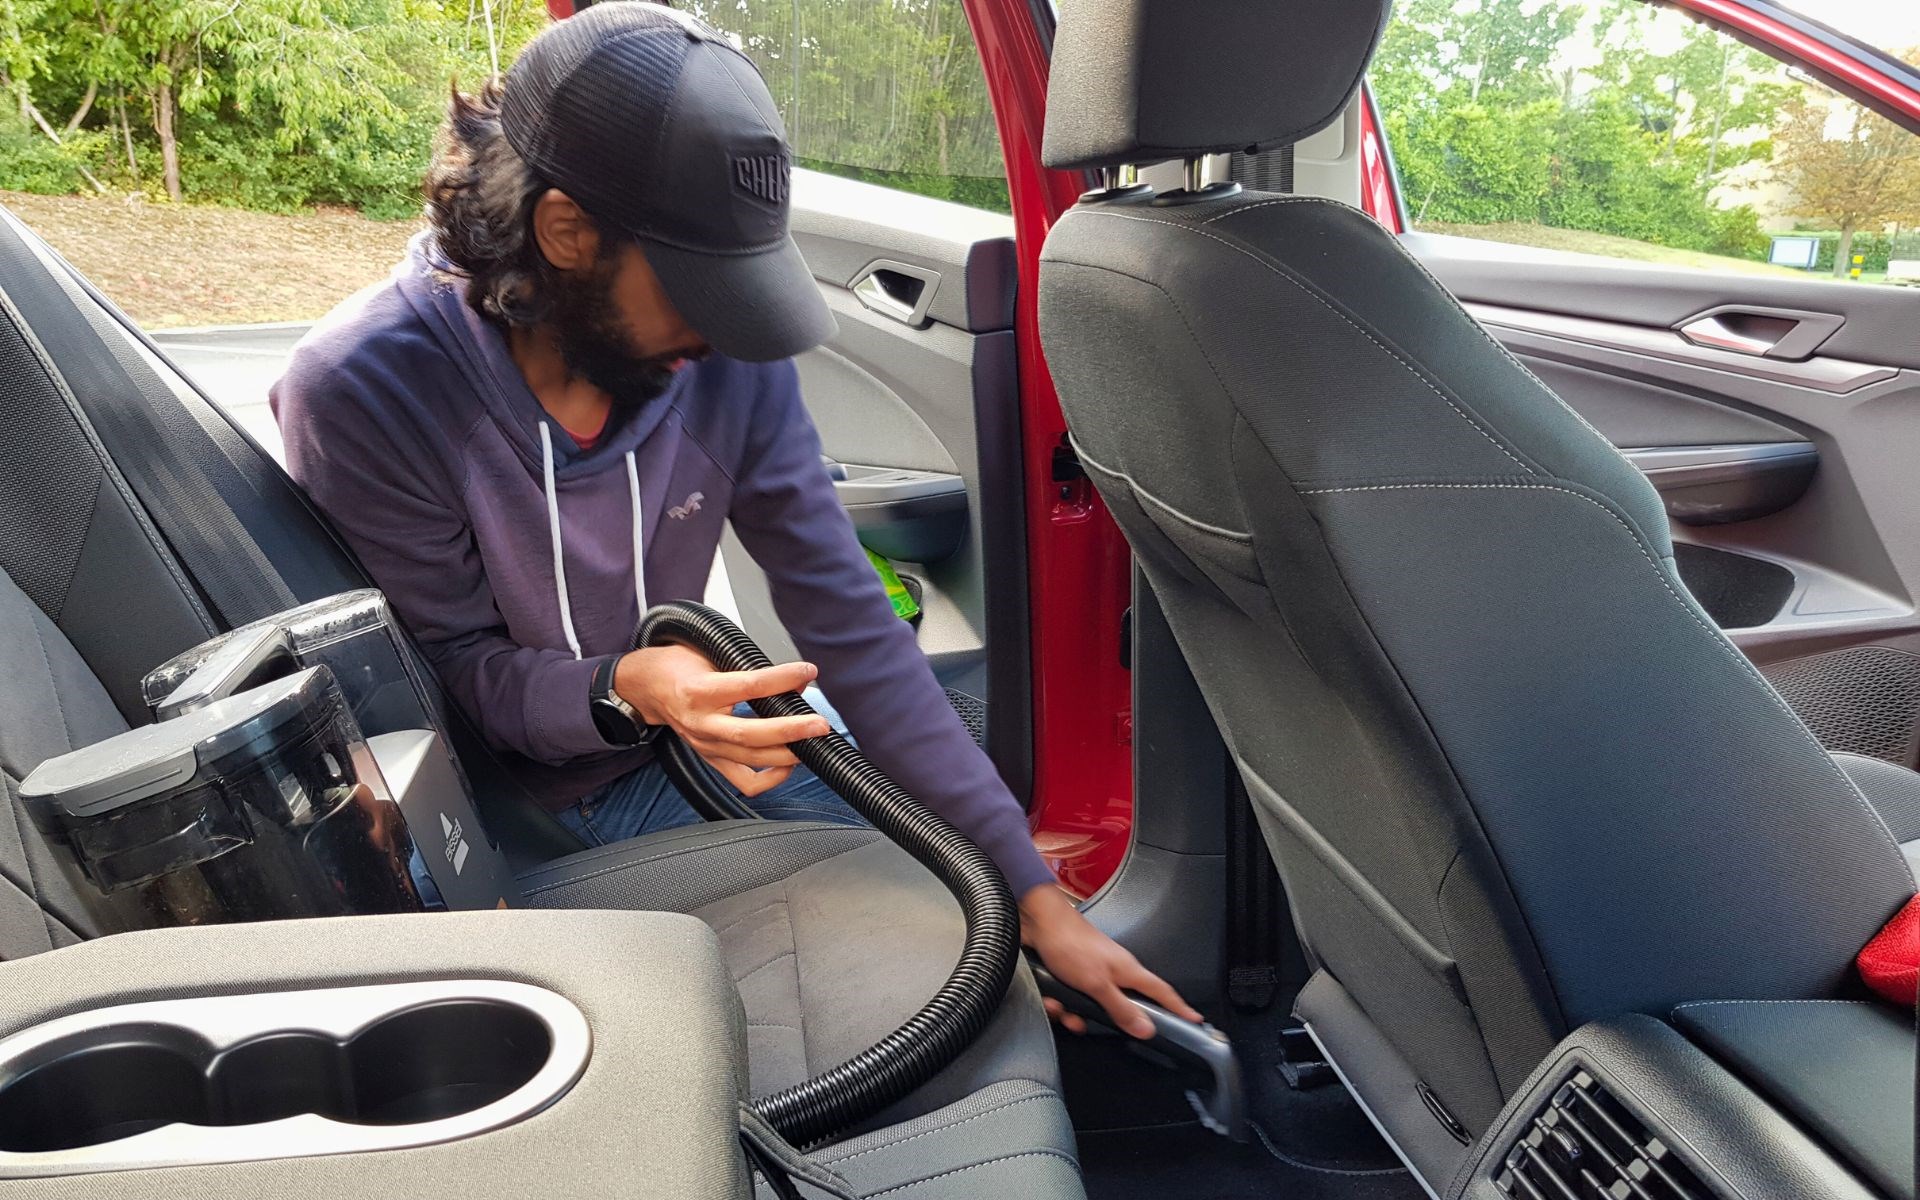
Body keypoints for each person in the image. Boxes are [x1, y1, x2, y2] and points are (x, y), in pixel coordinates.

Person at [271, 1, 1194, 1036]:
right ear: (567, 233)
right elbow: (445, 682)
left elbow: (852, 624)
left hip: (684, 734)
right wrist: (625, 689)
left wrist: (1031, 895)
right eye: (698, 288)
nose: (725, 332)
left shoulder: (722, 364)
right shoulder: (367, 389)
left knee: (976, 888)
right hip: (523, 799)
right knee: (927, 935)